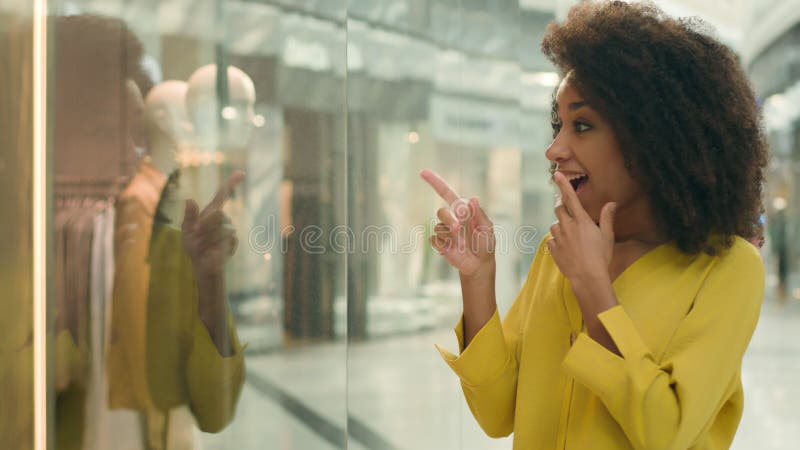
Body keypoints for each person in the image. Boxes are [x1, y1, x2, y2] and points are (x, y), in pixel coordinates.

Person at [423, 2, 767, 449]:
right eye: (558, 125)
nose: (554, 149)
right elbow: (496, 413)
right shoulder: (559, 248)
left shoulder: (728, 267)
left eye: (582, 125)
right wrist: (478, 279)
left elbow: (667, 432)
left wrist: (593, 288)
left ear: (652, 138)